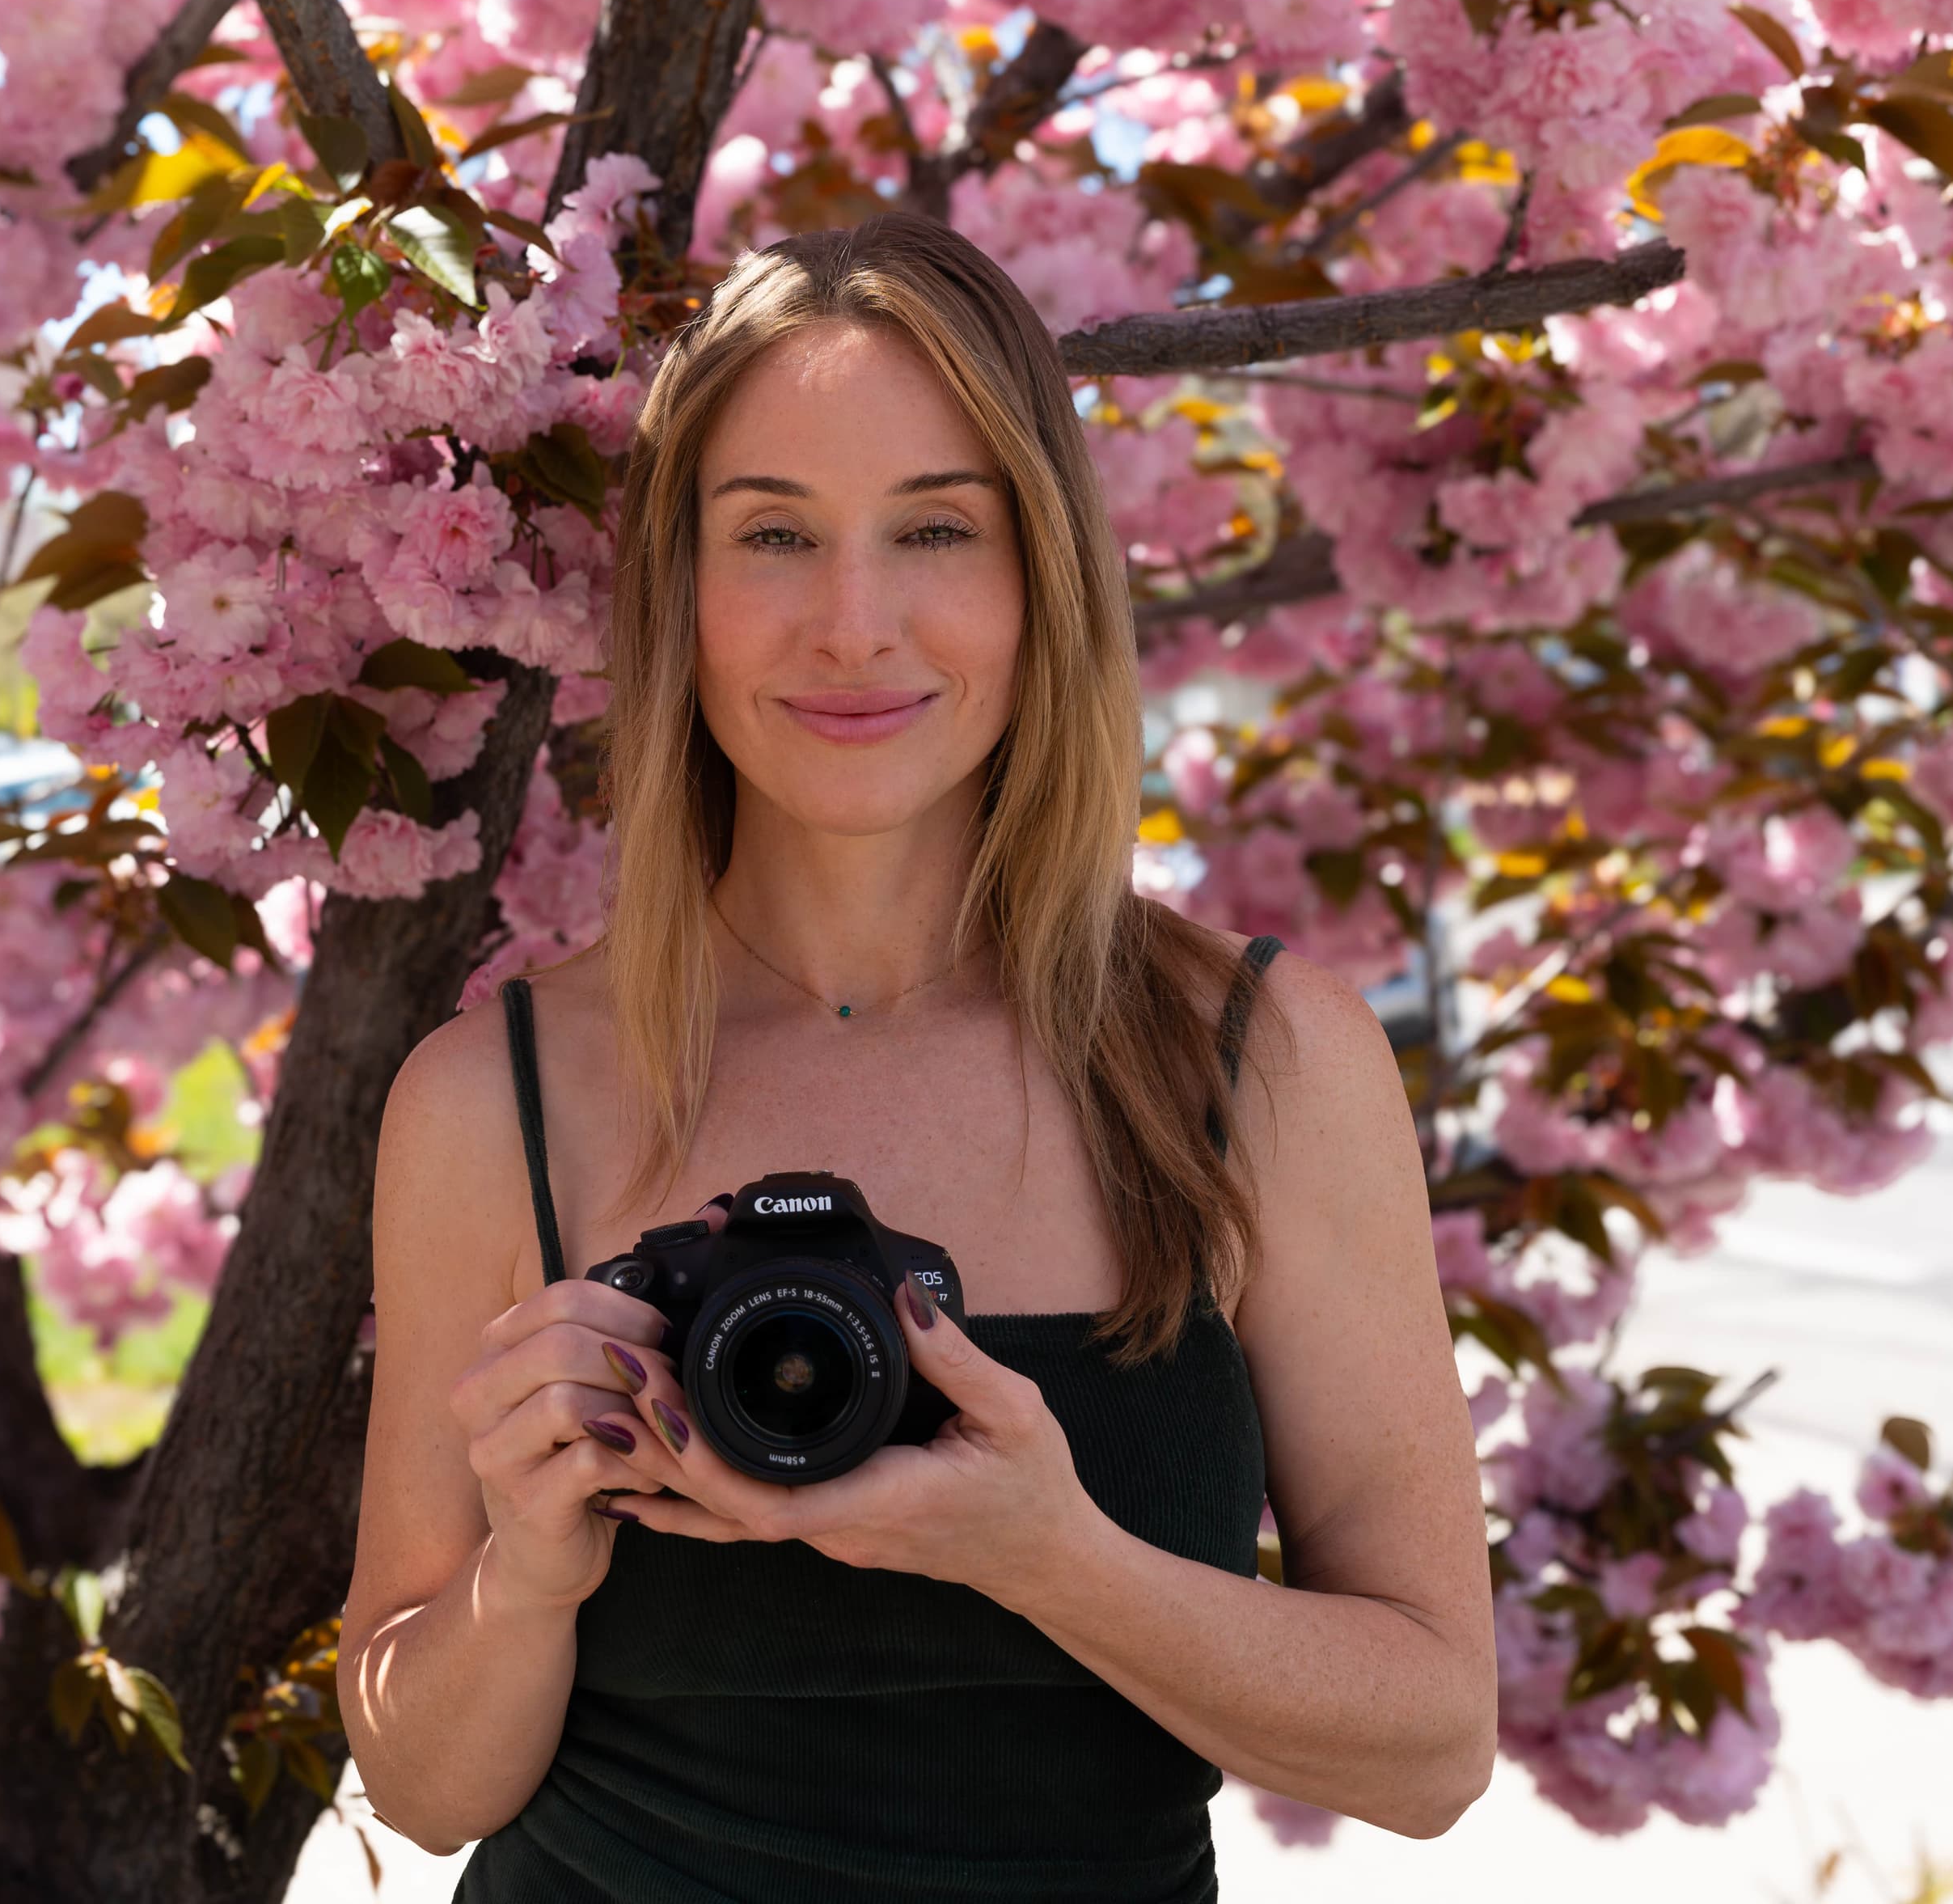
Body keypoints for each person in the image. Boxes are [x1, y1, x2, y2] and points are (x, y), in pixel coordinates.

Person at [342, 211, 1494, 1901]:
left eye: (937, 527)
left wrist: (1051, 1555)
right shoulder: (494, 1096)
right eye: (775, 536)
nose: (855, 624)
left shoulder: (1257, 1064)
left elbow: (1432, 1745)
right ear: (681, 590)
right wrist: (523, 1573)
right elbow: (427, 1786)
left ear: (1041, 571)